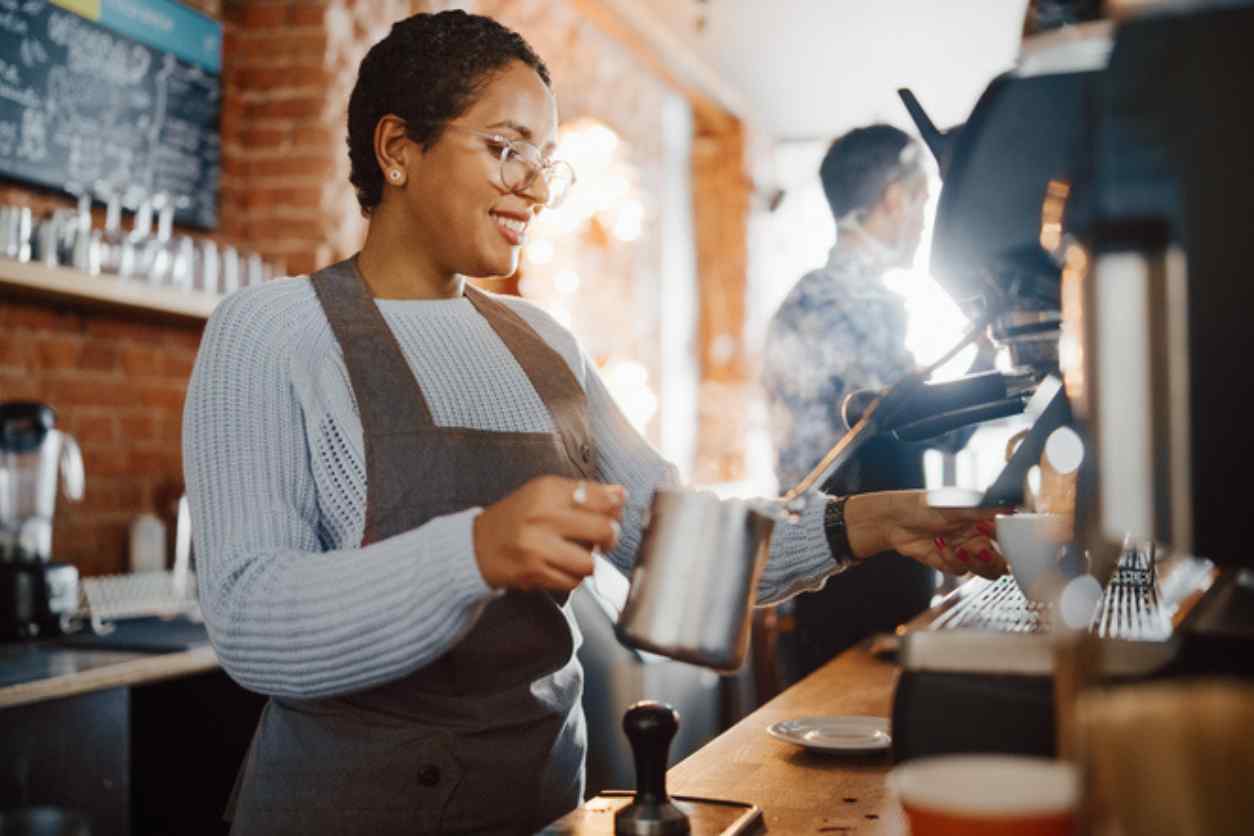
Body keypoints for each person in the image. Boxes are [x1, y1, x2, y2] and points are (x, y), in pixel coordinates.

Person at [183, 13, 1004, 835]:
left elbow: (671, 540)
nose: (534, 189)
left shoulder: (545, 344)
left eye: (544, 162)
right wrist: (475, 551)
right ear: (398, 149)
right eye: (507, 149)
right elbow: (252, 621)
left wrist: (867, 520)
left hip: (540, 803)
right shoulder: (271, 330)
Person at [763, 125, 990, 680]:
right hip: (854, 572)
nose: (921, 223)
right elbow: (930, 428)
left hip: (825, 562)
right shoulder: (860, 301)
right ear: (895, 199)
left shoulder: (813, 295)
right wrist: (989, 347)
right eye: (922, 202)